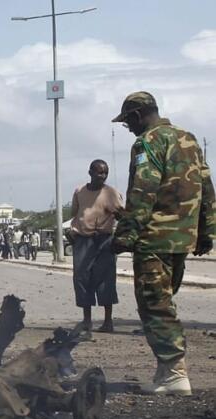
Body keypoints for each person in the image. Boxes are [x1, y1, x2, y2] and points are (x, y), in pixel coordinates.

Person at [111, 91, 215, 395]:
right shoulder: (189, 139)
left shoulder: (147, 142)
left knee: (155, 306)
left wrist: (126, 235)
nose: (127, 128)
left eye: (127, 122)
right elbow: (206, 187)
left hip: (154, 239)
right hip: (182, 239)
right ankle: (165, 371)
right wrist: (207, 231)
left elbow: (143, 191)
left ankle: (174, 373)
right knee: (165, 302)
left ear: (137, 115)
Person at [68, 159, 124, 334]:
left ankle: (108, 322)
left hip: (104, 241)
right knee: (82, 279)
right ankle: (87, 321)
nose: (103, 176)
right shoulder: (79, 191)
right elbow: (75, 213)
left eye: (105, 173)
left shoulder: (112, 193)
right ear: (90, 172)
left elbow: (123, 216)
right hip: (83, 240)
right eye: (99, 172)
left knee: (106, 280)